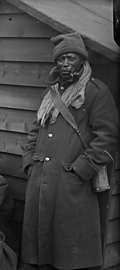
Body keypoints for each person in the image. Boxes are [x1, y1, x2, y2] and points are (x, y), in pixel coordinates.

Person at [21, 32, 120, 270]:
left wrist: (80, 169)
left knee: (70, 247)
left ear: (82, 61)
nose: (65, 64)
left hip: (73, 184)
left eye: (71, 58)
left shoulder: (96, 92)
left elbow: (108, 136)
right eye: (61, 59)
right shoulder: (51, 93)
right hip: (42, 179)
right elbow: (36, 129)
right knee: (40, 247)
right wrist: (29, 162)